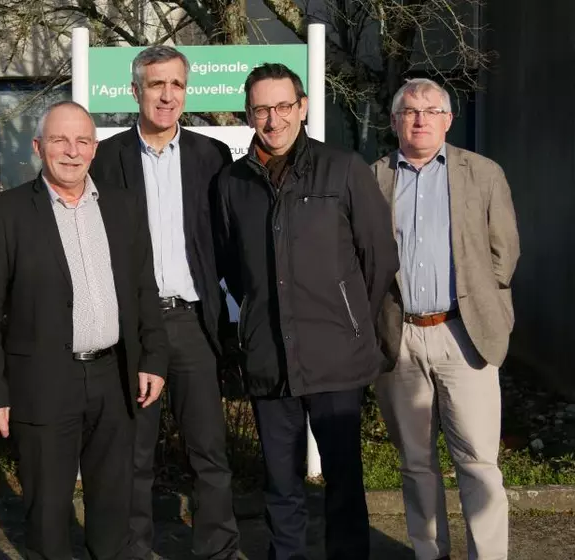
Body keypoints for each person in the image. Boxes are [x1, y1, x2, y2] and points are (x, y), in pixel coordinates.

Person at [0, 101, 168, 560]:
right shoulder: (7, 212)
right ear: (39, 147)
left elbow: (142, 289)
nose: (71, 151)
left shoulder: (122, 205)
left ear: (95, 148)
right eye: (60, 140)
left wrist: (154, 358)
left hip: (114, 378)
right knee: (47, 511)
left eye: (82, 141)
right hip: (43, 380)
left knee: (114, 505)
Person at [214, 63, 399, 560]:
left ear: (302, 107)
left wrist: (349, 316)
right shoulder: (233, 181)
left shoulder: (342, 169)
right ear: (248, 114)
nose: (272, 120)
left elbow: (378, 258)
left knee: (342, 481)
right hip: (270, 358)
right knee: (281, 483)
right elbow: (233, 265)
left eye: (282, 106)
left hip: (335, 355)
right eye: (261, 109)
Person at [89, 46, 239, 560]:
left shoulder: (211, 155)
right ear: (136, 91)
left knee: (209, 452)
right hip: (133, 328)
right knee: (134, 454)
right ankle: (134, 551)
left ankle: (216, 550)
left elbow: (225, 238)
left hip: (194, 322)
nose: (167, 95)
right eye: (156, 85)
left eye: (176, 85)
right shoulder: (105, 160)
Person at [373, 78, 520, 560]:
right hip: (399, 335)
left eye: (431, 111)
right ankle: (429, 552)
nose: (420, 119)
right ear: (394, 121)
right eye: (410, 111)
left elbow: (504, 254)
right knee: (415, 462)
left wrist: (482, 300)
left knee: (477, 461)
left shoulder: (482, 173)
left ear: (448, 119)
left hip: (464, 334)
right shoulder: (374, 177)